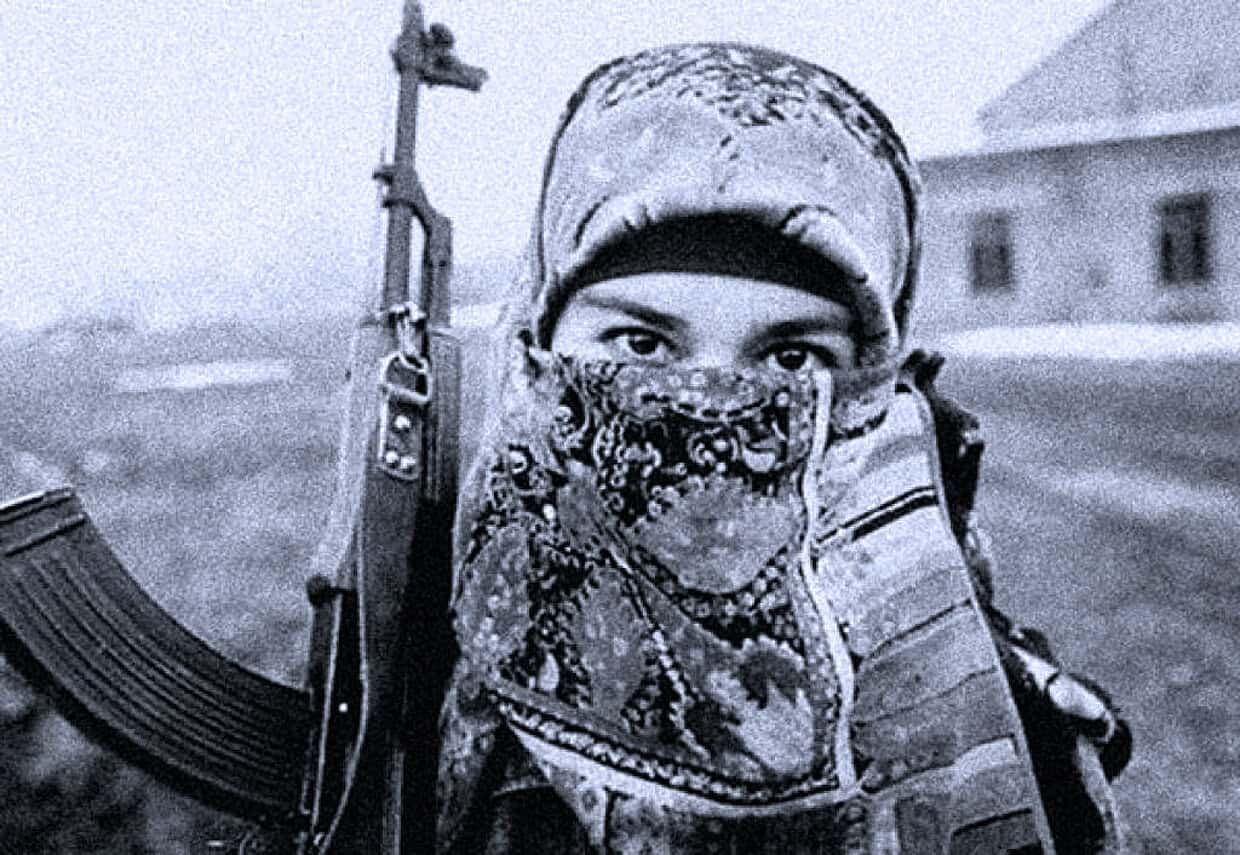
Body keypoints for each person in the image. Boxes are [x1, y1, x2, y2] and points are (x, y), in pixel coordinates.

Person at [435, 42, 1130, 854]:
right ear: (537, 345)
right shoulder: (409, 674)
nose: (709, 412)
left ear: (873, 385)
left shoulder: (1009, 734)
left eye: (790, 358)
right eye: (642, 344)